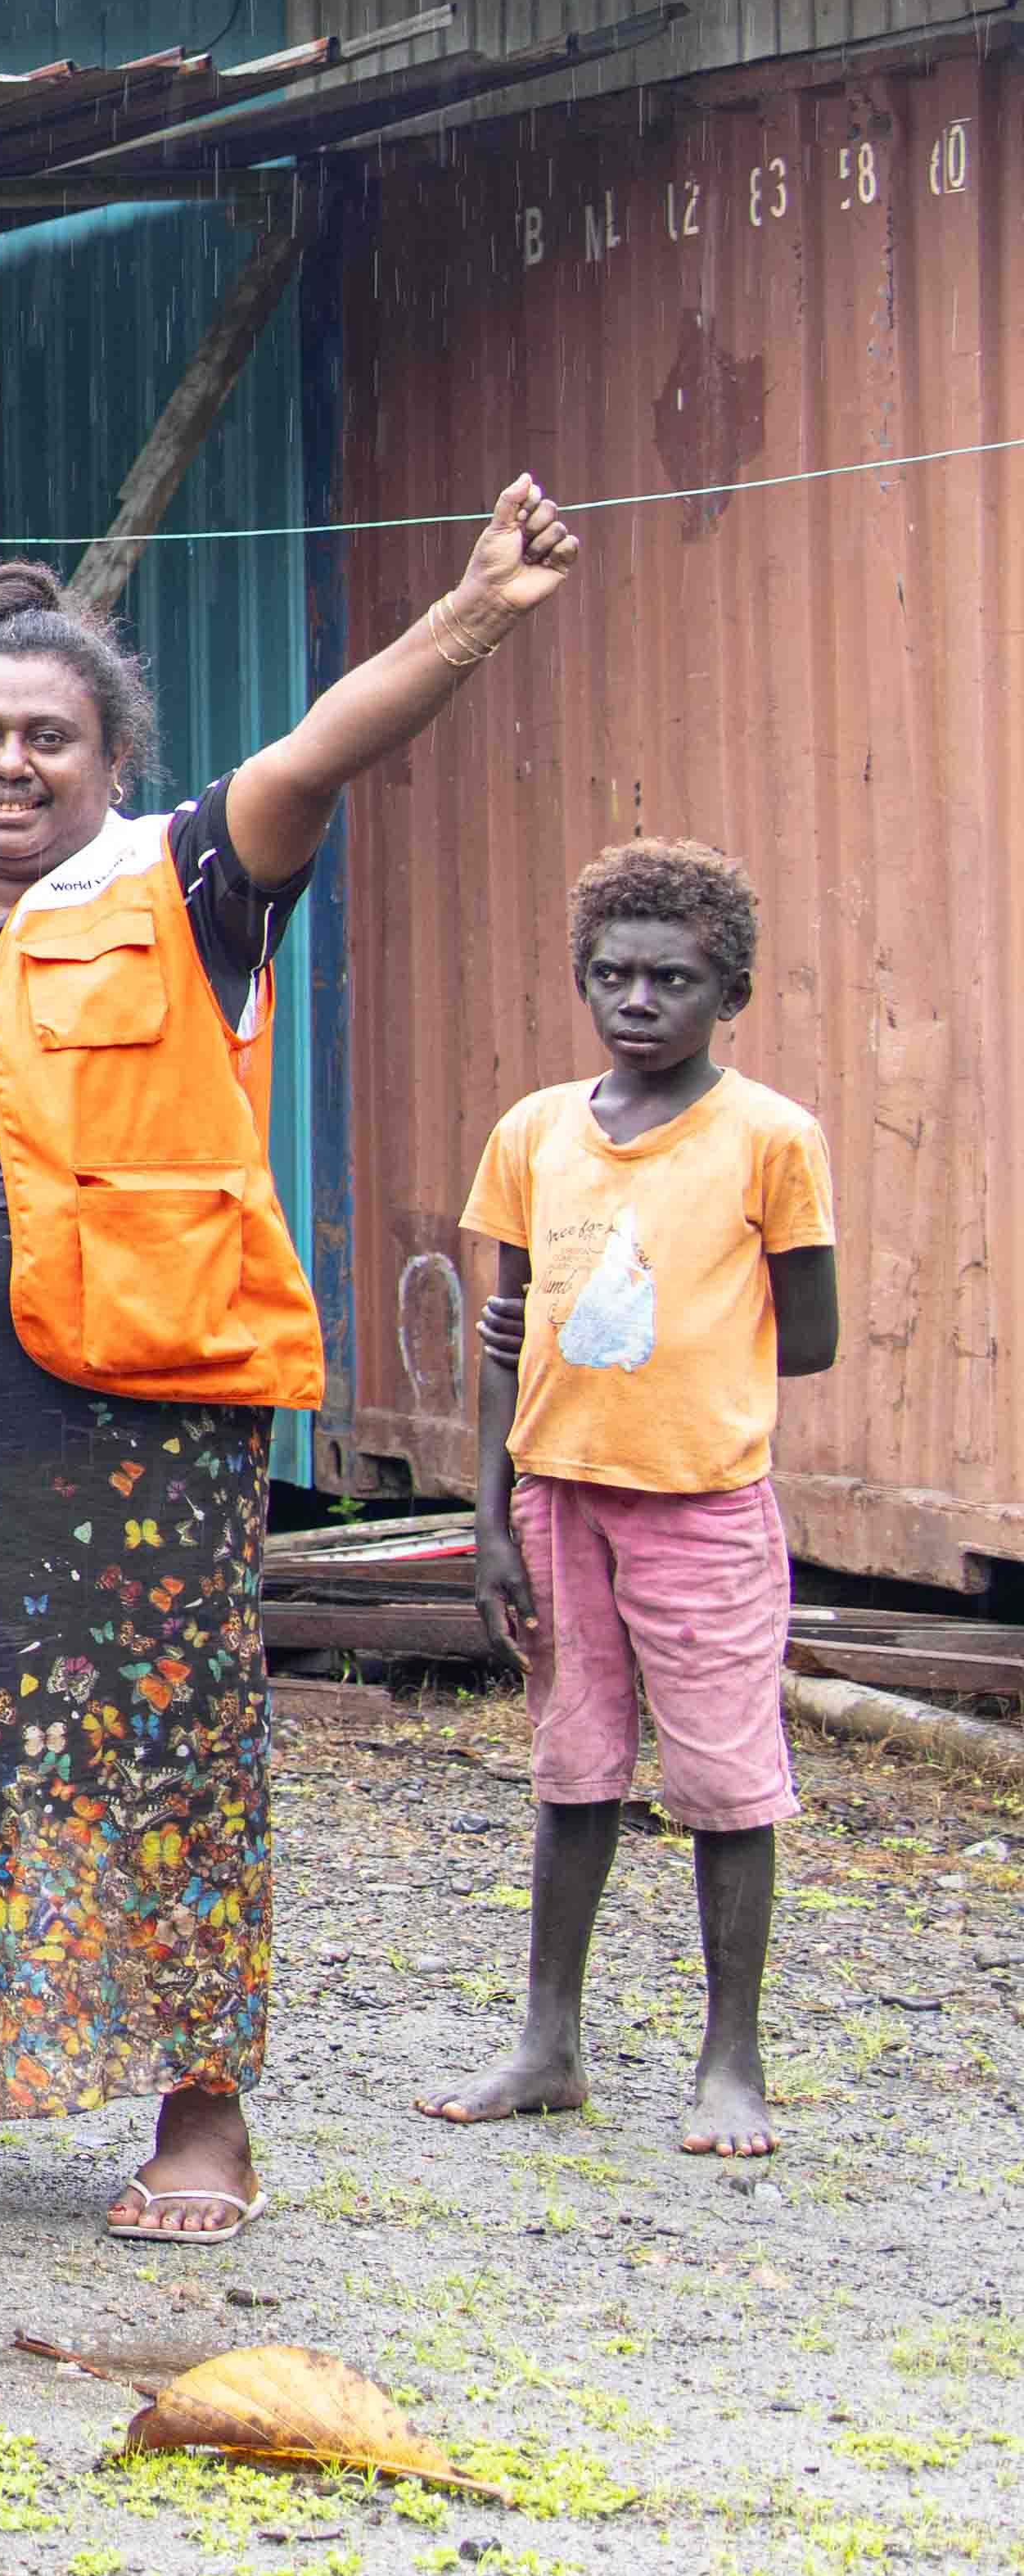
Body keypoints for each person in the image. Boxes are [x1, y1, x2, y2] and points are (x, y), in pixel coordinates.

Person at [0, 495, 582, 2243]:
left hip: (128, 1422)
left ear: (114, 753)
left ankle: (201, 2111)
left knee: (157, 1746)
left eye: (50, 738)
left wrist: (475, 614)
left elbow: (318, 749)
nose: (12, 766)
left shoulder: (181, 885)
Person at [421, 839, 833, 2162]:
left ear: (731, 991)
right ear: (581, 980)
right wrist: (489, 1518)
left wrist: (669, 1325)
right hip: (556, 1505)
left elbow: (809, 1331)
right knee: (573, 1771)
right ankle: (546, 2042)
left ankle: (731, 2059)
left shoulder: (769, 1137)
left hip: (700, 1502)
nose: (637, 999)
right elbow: (502, 1332)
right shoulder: (534, 1131)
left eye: (672, 977)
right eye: (611, 974)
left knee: (723, 1779)